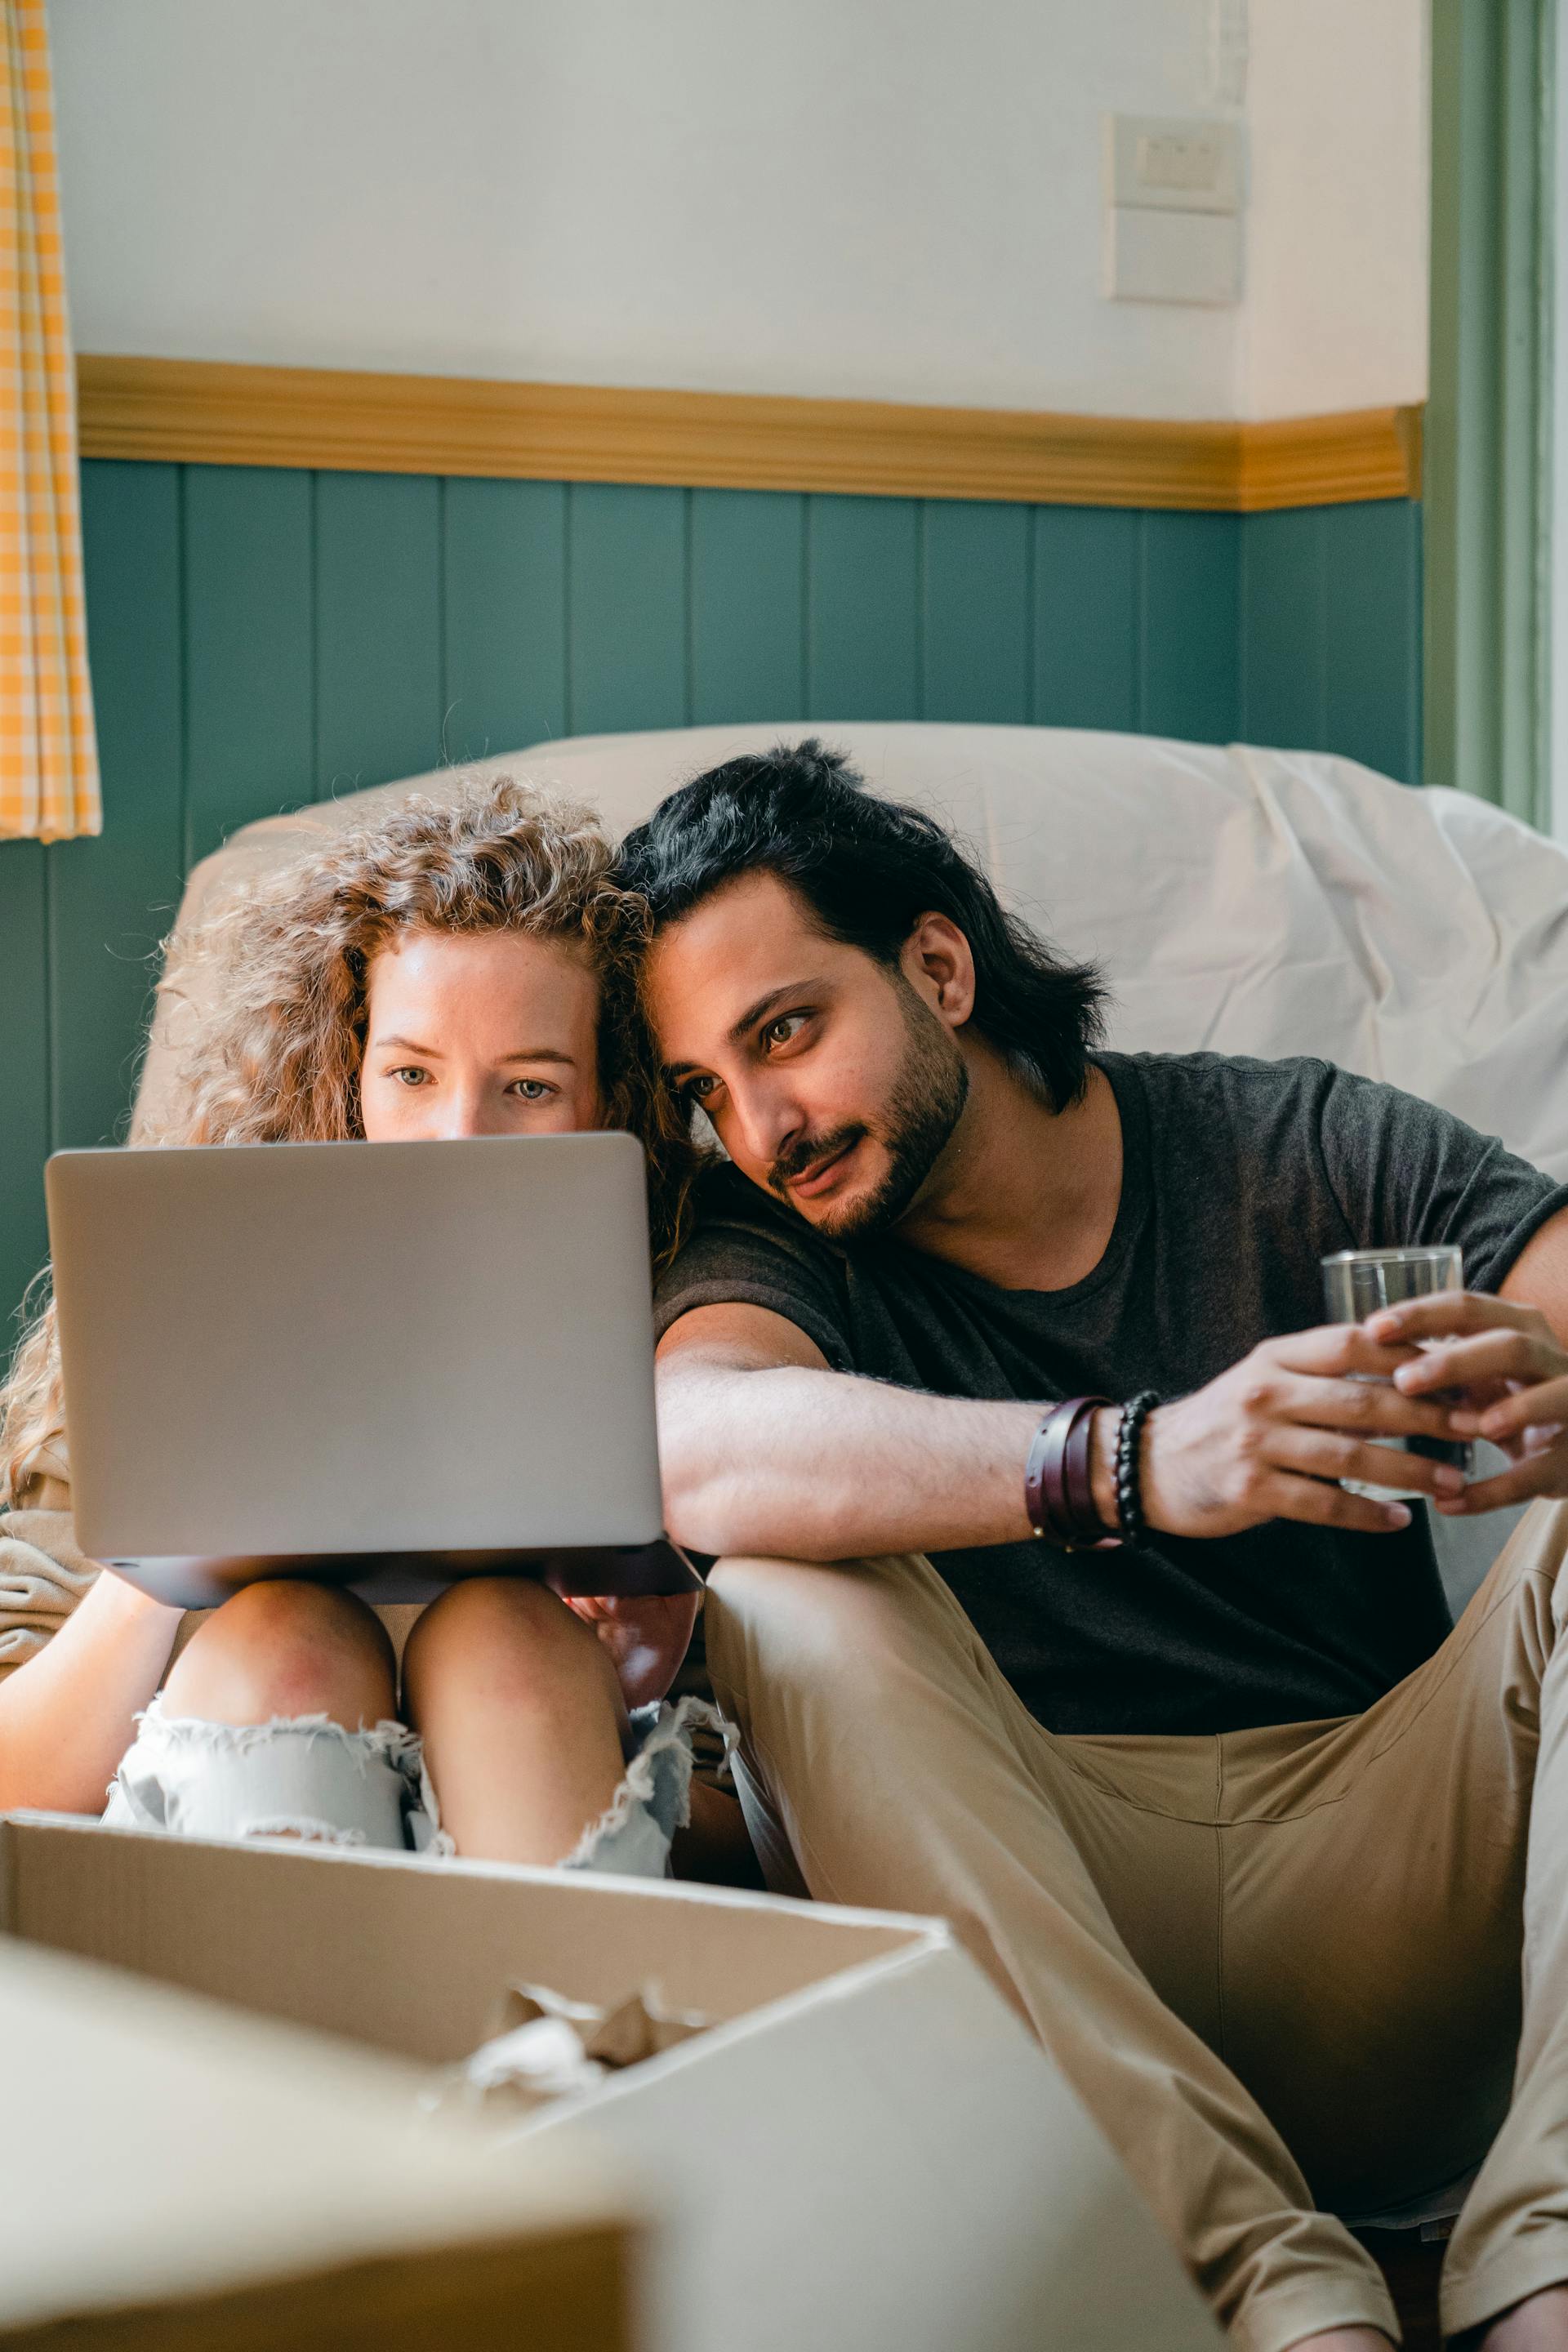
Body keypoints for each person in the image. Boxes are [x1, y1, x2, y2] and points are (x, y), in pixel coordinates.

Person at [617, 740, 1568, 2352]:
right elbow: (696, 1446)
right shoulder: (773, 1238)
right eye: (709, 1088)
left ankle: (1545, 2278)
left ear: (938, 964)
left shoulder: (1295, 1146)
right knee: (781, 1587)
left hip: (1396, 1887)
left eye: (786, 1033)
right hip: (1051, 1921)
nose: (764, 1124)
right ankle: (1276, 2306)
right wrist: (1134, 1459)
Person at [0, 778, 741, 1879]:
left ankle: (541, 2049)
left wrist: (620, 1681)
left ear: (609, 1101)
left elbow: (776, 1820)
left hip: (550, 1832)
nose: (459, 1139)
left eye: (528, 1089)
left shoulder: (705, 1314)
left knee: (507, 1644)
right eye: (410, 1075)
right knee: (281, 1638)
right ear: (345, 1080)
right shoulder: (177, 1291)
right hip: (226, 1813)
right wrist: (165, 1555)